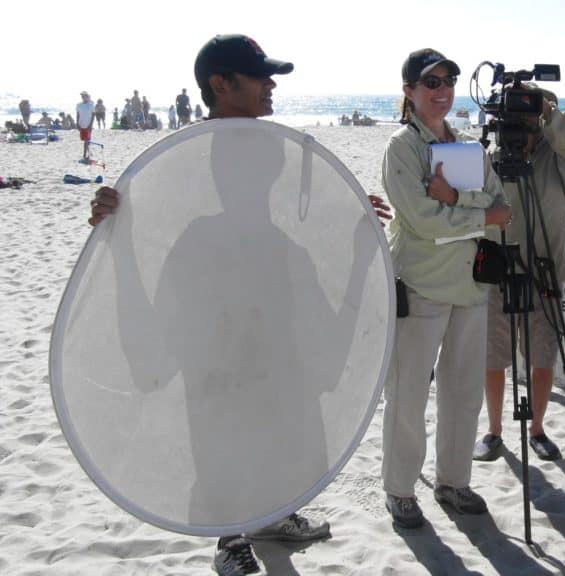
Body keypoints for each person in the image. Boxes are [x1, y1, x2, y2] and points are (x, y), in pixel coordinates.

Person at [88, 34, 392, 576]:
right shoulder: (179, 155)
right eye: (259, 76)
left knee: (285, 412)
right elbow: (161, 220)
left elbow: (292, 210)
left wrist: (348, 210)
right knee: (219, 417)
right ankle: (228, 536)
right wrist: (114, 215)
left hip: (271, 272)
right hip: (211, 290)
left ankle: (274, 514)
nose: (271, 85)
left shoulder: (268, 140)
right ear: (220, 84)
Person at [380, 48, 510, 529]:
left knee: (463, 391)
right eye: (430, 82)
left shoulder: (468, 146)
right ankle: (399, 489)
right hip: (421, 283)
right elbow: (422, 220)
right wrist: (476, 216)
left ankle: (453, 481)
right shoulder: (402, 147)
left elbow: (502, 206)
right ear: (409, 92)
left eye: (448, 80)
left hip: (470, 286)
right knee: (408, 392)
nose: (441, 91)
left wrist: (455, 197)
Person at [470, 83, 565, 463]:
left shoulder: (558, 160)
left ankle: (536, 428)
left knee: (542, 355)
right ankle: (494, 431)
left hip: (545, 271)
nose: (522, 125)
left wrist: (549, 114)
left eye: (529, 115)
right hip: (496, 269)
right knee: (493, 355)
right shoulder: (490, 157)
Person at [75, 91, 96, 159]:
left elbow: (93, 115)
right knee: (85, 140)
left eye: (84, 96)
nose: (83, 97)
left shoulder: (91, 105)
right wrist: (77, 123)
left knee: (87, 140)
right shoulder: (78, 105)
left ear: (87, 96)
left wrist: (91, 125)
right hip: (81, 125)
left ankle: (85, 154)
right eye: (82, 96)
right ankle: (89, 152)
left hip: (88, 125)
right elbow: (77, 115)